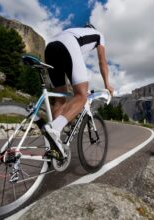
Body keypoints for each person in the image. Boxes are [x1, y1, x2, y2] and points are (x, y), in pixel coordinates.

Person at [44, 23, 114, 155]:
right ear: (93, 29)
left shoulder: (75, 31)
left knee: (60, 99)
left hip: (50, 47)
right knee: (82, 96)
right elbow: (102, 61)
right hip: (67, 45)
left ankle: (55, 145)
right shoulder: (99, 35)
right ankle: (55, 128)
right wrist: (107, 84)